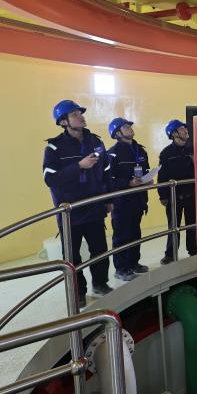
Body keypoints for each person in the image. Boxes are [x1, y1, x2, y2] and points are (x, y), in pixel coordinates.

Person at [43, 100, 114, 309]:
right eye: (75, 114)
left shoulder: (96, 142)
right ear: (63, 122)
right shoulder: (54, 147)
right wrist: (78, 166)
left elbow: (107, 172)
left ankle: (100, 283)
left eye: (80, 113)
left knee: (99, 250)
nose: (81, 117)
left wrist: (108, 198)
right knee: (72, 257)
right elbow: (50, 178)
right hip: (70, 213)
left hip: (94, 208)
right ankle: (79, 292)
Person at [106, 117, 149, 280]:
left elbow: (146, 170)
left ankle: (133, 263)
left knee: (135, 233)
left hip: (138, 200)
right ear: (117, 133)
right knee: (121, 236)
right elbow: (109, 180)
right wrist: (128, 183)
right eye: (125, 127)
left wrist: (147, 179)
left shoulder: (140, 150)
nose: (130, 128)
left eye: (130, 126)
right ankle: (121, 268)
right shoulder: (112, 153)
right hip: (121, 202)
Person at [158, 119, 197, 264]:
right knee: (174, 226)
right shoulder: (166, 153)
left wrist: (196, 162)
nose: (186, 130)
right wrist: (162, 195)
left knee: (192, 225)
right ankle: (170, 254)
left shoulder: (193, 149)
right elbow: (162, 176)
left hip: (192, 195)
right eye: (182, 128)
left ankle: (194, 251)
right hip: (174, 197)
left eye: (185, 128)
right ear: (174, 133)